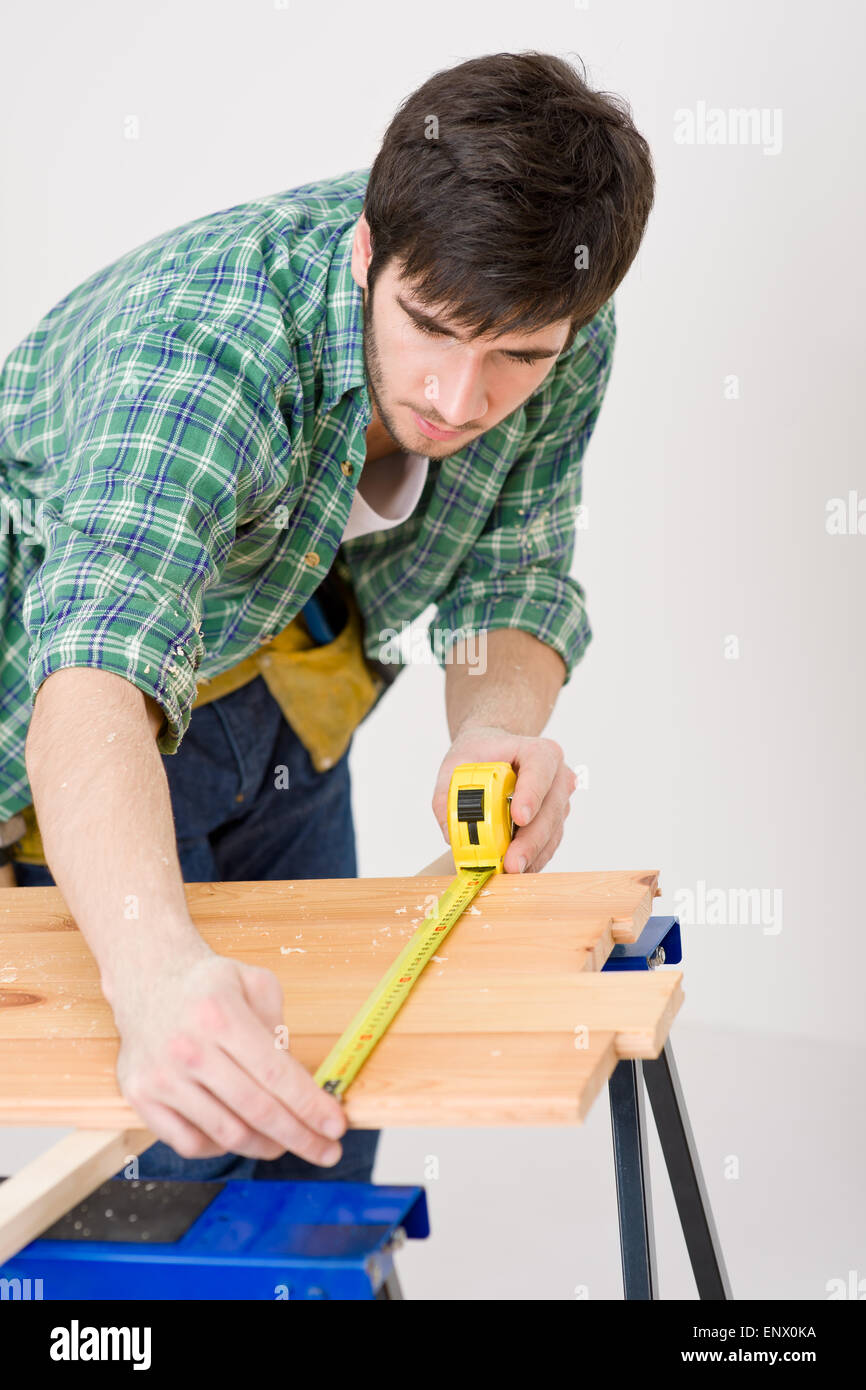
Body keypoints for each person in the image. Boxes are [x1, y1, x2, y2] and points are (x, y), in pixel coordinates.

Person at [0, 52, 654, 1182]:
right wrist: (153, 977)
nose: (460, 399)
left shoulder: (562, 324)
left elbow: (515, 578)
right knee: (180, 1134)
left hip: (286, 684)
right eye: (430, 329)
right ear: (366, 252)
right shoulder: (203, 348)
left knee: (321, 1118)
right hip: (75, 728)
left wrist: (493, 732)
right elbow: (94, 668)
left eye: (515, 357)